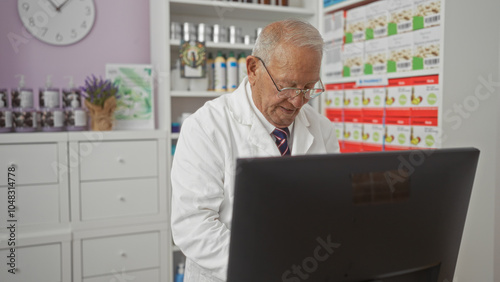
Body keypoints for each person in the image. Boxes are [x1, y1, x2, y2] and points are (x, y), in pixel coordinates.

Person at [171, 19, 340, 282]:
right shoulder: (205, 127)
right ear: (252, 69)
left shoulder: (322, 129)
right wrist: (269, 265)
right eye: (287, 85)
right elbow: (194, 227)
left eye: (308, 88)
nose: (297, 101)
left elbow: (332, 207)